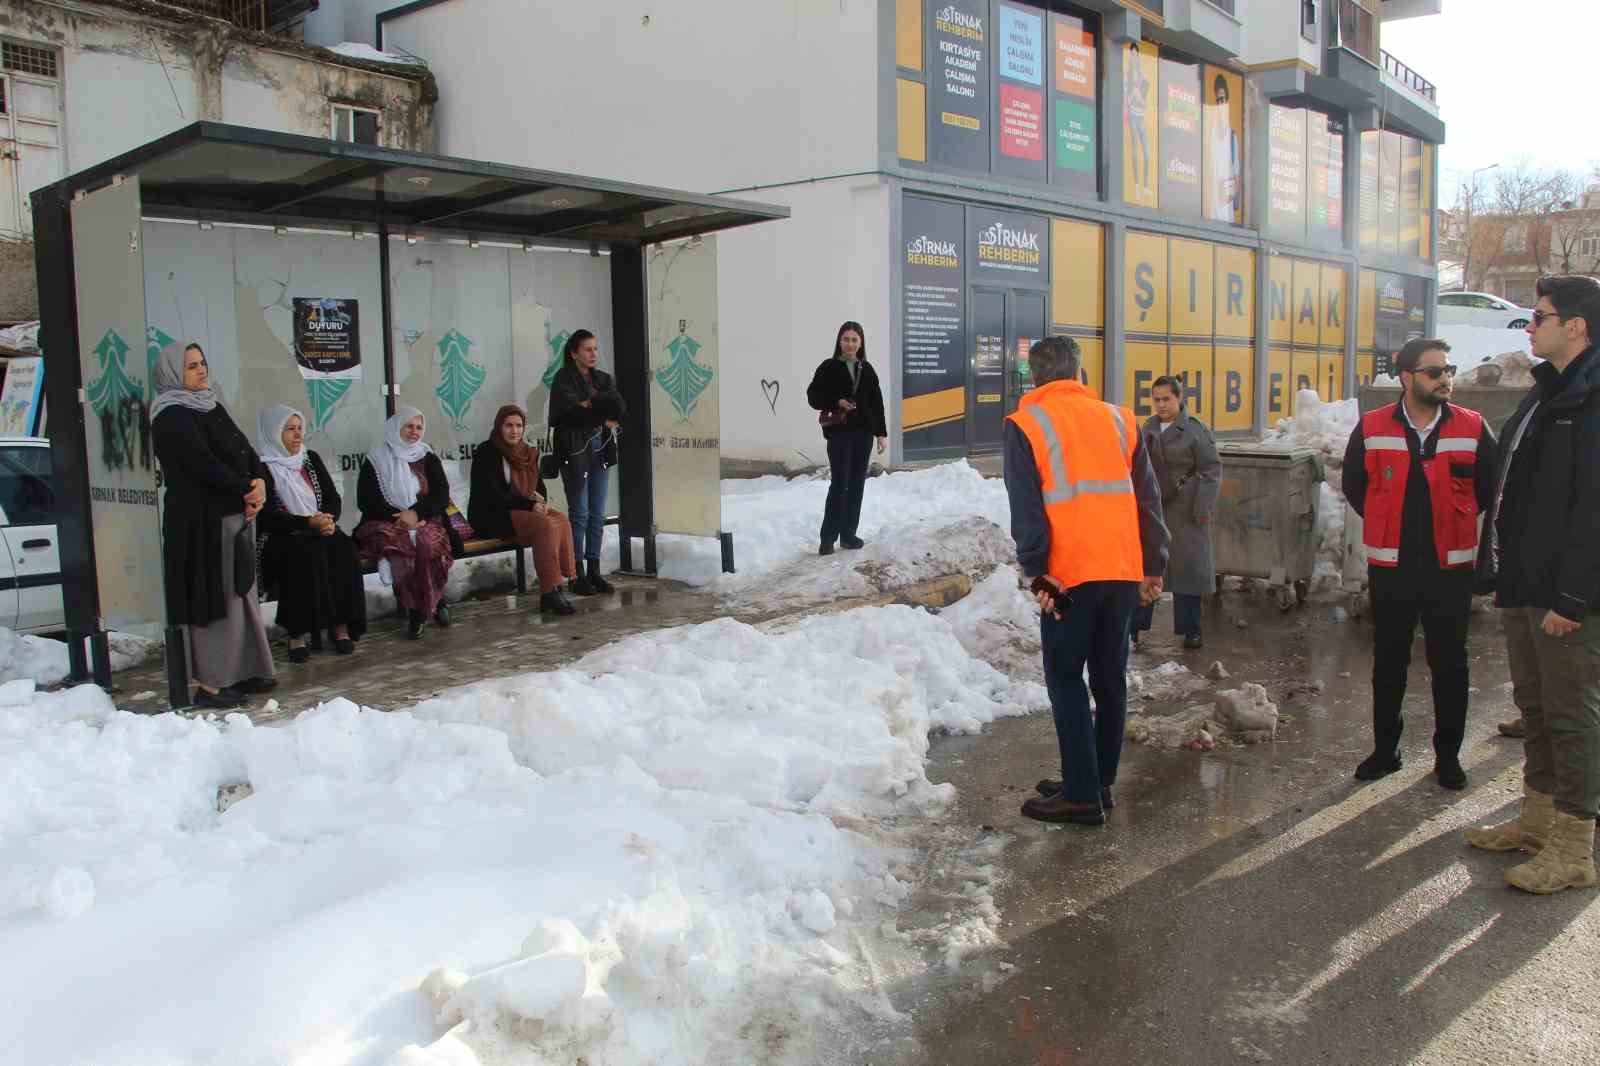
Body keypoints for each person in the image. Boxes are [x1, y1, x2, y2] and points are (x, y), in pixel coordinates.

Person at [1466, 275, 1600, 894]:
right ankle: (1537, 822)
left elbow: (1594, 510)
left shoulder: (1590, 397)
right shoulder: (1548, 392)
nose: (1531, 327)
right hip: (1526, 583)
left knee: (1573, 717)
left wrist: (1573, 597)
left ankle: (1575, 845)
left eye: (1539, 317)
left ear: (1576, 326)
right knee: (1537, 708)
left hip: (1565, 595)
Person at [1005, 336, 1169, 825]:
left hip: (1067, 575)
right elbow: (1148, 498)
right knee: (1108, 678)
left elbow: (1026, 509)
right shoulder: (1119, 419)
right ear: (1079, 373)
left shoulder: (1026, 424)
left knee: (1064, 677)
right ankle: (1098, 780)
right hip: (1121, 569)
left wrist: (1037, 572)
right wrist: (1154, 564)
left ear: (1034, 377)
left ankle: (1079, 794)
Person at [1342, 338, 1498, 791]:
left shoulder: (1472, 426)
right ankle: (1385, 751)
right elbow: (1355, 485)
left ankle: (1447, 757)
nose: (1445, 378)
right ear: (1407, 377)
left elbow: (1489, 487)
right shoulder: (1372, 427)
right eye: (1434, 371)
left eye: (1449, 369)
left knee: (1450, 663)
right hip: (1391, 566)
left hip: (1450, 568)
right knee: (1389, 661)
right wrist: (1389, 523)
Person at [150, 342, 276, 709]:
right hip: (200, 523)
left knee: (239, 596)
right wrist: (246, 490)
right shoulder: (171, 416)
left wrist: (260, 483)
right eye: (191, 366)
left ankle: (242, 670)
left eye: (202, 363)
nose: (201, 370)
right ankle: (211, 683)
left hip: (233, 516)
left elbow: (244, 451)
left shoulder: (210, 405)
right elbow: (202, 465)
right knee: (213, 602)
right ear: (174, 373)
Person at [255, 405, 367, 661]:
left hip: (317, 527)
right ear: (273, 433)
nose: (297, 436)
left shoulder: (310, 458)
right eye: (289, 430)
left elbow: (331, 497)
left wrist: (327, 519)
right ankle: (296, 634)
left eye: (299, 429)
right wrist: (308, 523)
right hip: (280, 535)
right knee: (302, 554)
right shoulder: (262, 467)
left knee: (344, 549)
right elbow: (267, 517)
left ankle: (340, 625)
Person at [1131, 376, 1220, 650]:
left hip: (1186, 511)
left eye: (1166, 399)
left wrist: (1202, 507)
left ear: (1179, 399)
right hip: (1154, 510)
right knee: (1149, 567)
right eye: (1156, 399)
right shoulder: (1148, 427)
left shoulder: (1195, 431)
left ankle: (1191, 630)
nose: (1161, 404)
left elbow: (1211, 470)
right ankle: (1135, 627)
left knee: (1187, 573)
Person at [356, 406, 459, 640]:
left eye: (419, 427)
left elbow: (441, 495)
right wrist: (399, 517)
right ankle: (418, 610)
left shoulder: (427, 457)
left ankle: (433, 600)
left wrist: (416, 514)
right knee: (402, 547)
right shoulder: (376, 459)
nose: (414, 432)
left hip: (425, 519)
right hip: (385, 521)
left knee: (425, 543)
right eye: (409, 426)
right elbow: (366, 500)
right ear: (396, 428)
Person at [469, 404, 578, 616]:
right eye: (508, 425)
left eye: (518, 425)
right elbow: (494, 494)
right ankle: (549, 592)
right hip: (492, 515)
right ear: (499, 427)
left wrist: (542, 502)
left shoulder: (527, 452)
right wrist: (531, 506)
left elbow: (539, 487)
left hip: (520, 511)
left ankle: (564, 580)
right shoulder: (487, 451)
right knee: (543, 525)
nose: (514, 431)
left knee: (561, 519)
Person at [548, 329, 625, 596]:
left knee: (596, 514)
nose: (593, 354)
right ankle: (576, 573)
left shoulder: (603, 378)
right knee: (578, 513)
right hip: (574, 451)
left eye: (595, 349)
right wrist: (598, 409)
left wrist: (592, 406)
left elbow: (618, 408)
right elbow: (571, 412)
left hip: (600, 449)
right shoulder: (563, 379)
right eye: (587, 349)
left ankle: (594, 570)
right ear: (573, 353)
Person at [806, 320, 888, 556]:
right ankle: (828, 538)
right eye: (846, 339)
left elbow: (877, 404)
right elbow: (813, 396)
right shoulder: (828, 367)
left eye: (854, 339)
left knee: (857, 485)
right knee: (840, 484)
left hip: (863, 434)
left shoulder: (867, 369)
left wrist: (880, 434)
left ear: (860, 343)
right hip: (840, 434)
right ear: (839, 341)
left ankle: (848, 535)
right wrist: (836, 401)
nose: (850, 344)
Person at [1206, 73, 1240, 223]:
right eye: (1219, 100)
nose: (1221, 103)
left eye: (1224, 99)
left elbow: (1237, 176)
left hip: (1226, 212)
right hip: (1211, 211)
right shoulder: (1209, 133)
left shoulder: (1232, 137)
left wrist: (1230, 194)